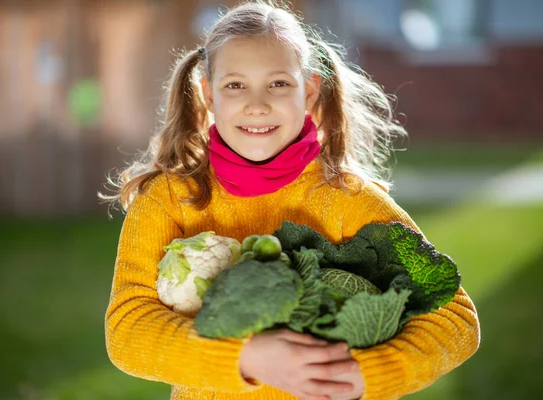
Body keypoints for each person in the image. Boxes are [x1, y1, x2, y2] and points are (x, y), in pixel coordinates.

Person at [101, 1, 480, 399]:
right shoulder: (169, 200)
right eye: (235, 85)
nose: (258, 103)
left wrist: (371, 372)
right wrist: (245, 359)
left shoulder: (349, 201)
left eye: (279, 83)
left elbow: (455, 318)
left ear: (310, 91)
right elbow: (128, 328)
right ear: (209, 95)